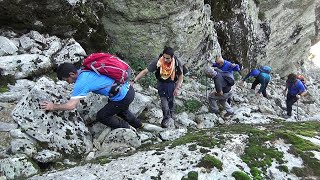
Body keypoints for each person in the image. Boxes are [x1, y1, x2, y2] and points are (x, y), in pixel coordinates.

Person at [40, 62, 143, 130]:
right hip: (128, 89)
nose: (68, 83)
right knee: (118, 108)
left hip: (122, 96)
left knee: (102, 116)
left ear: (72, 74)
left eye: (67, 80)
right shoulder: (86, 69)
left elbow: (71, 106)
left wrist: (53, 106)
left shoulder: (82, 82)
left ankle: (126, 129)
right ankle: (139, 125)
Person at [133, 47, 183, 128]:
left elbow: (181, 76)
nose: (165, 60)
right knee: (164, 104)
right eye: (164, 57)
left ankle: (172, 120)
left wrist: (177, 88)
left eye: (168, 58)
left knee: (171, 103)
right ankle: (165, 121)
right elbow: (145, 71)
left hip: (172, 84)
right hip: (161, 84)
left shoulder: (177, 62)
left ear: (172, 57)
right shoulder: (158, 62)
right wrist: (134, 81)